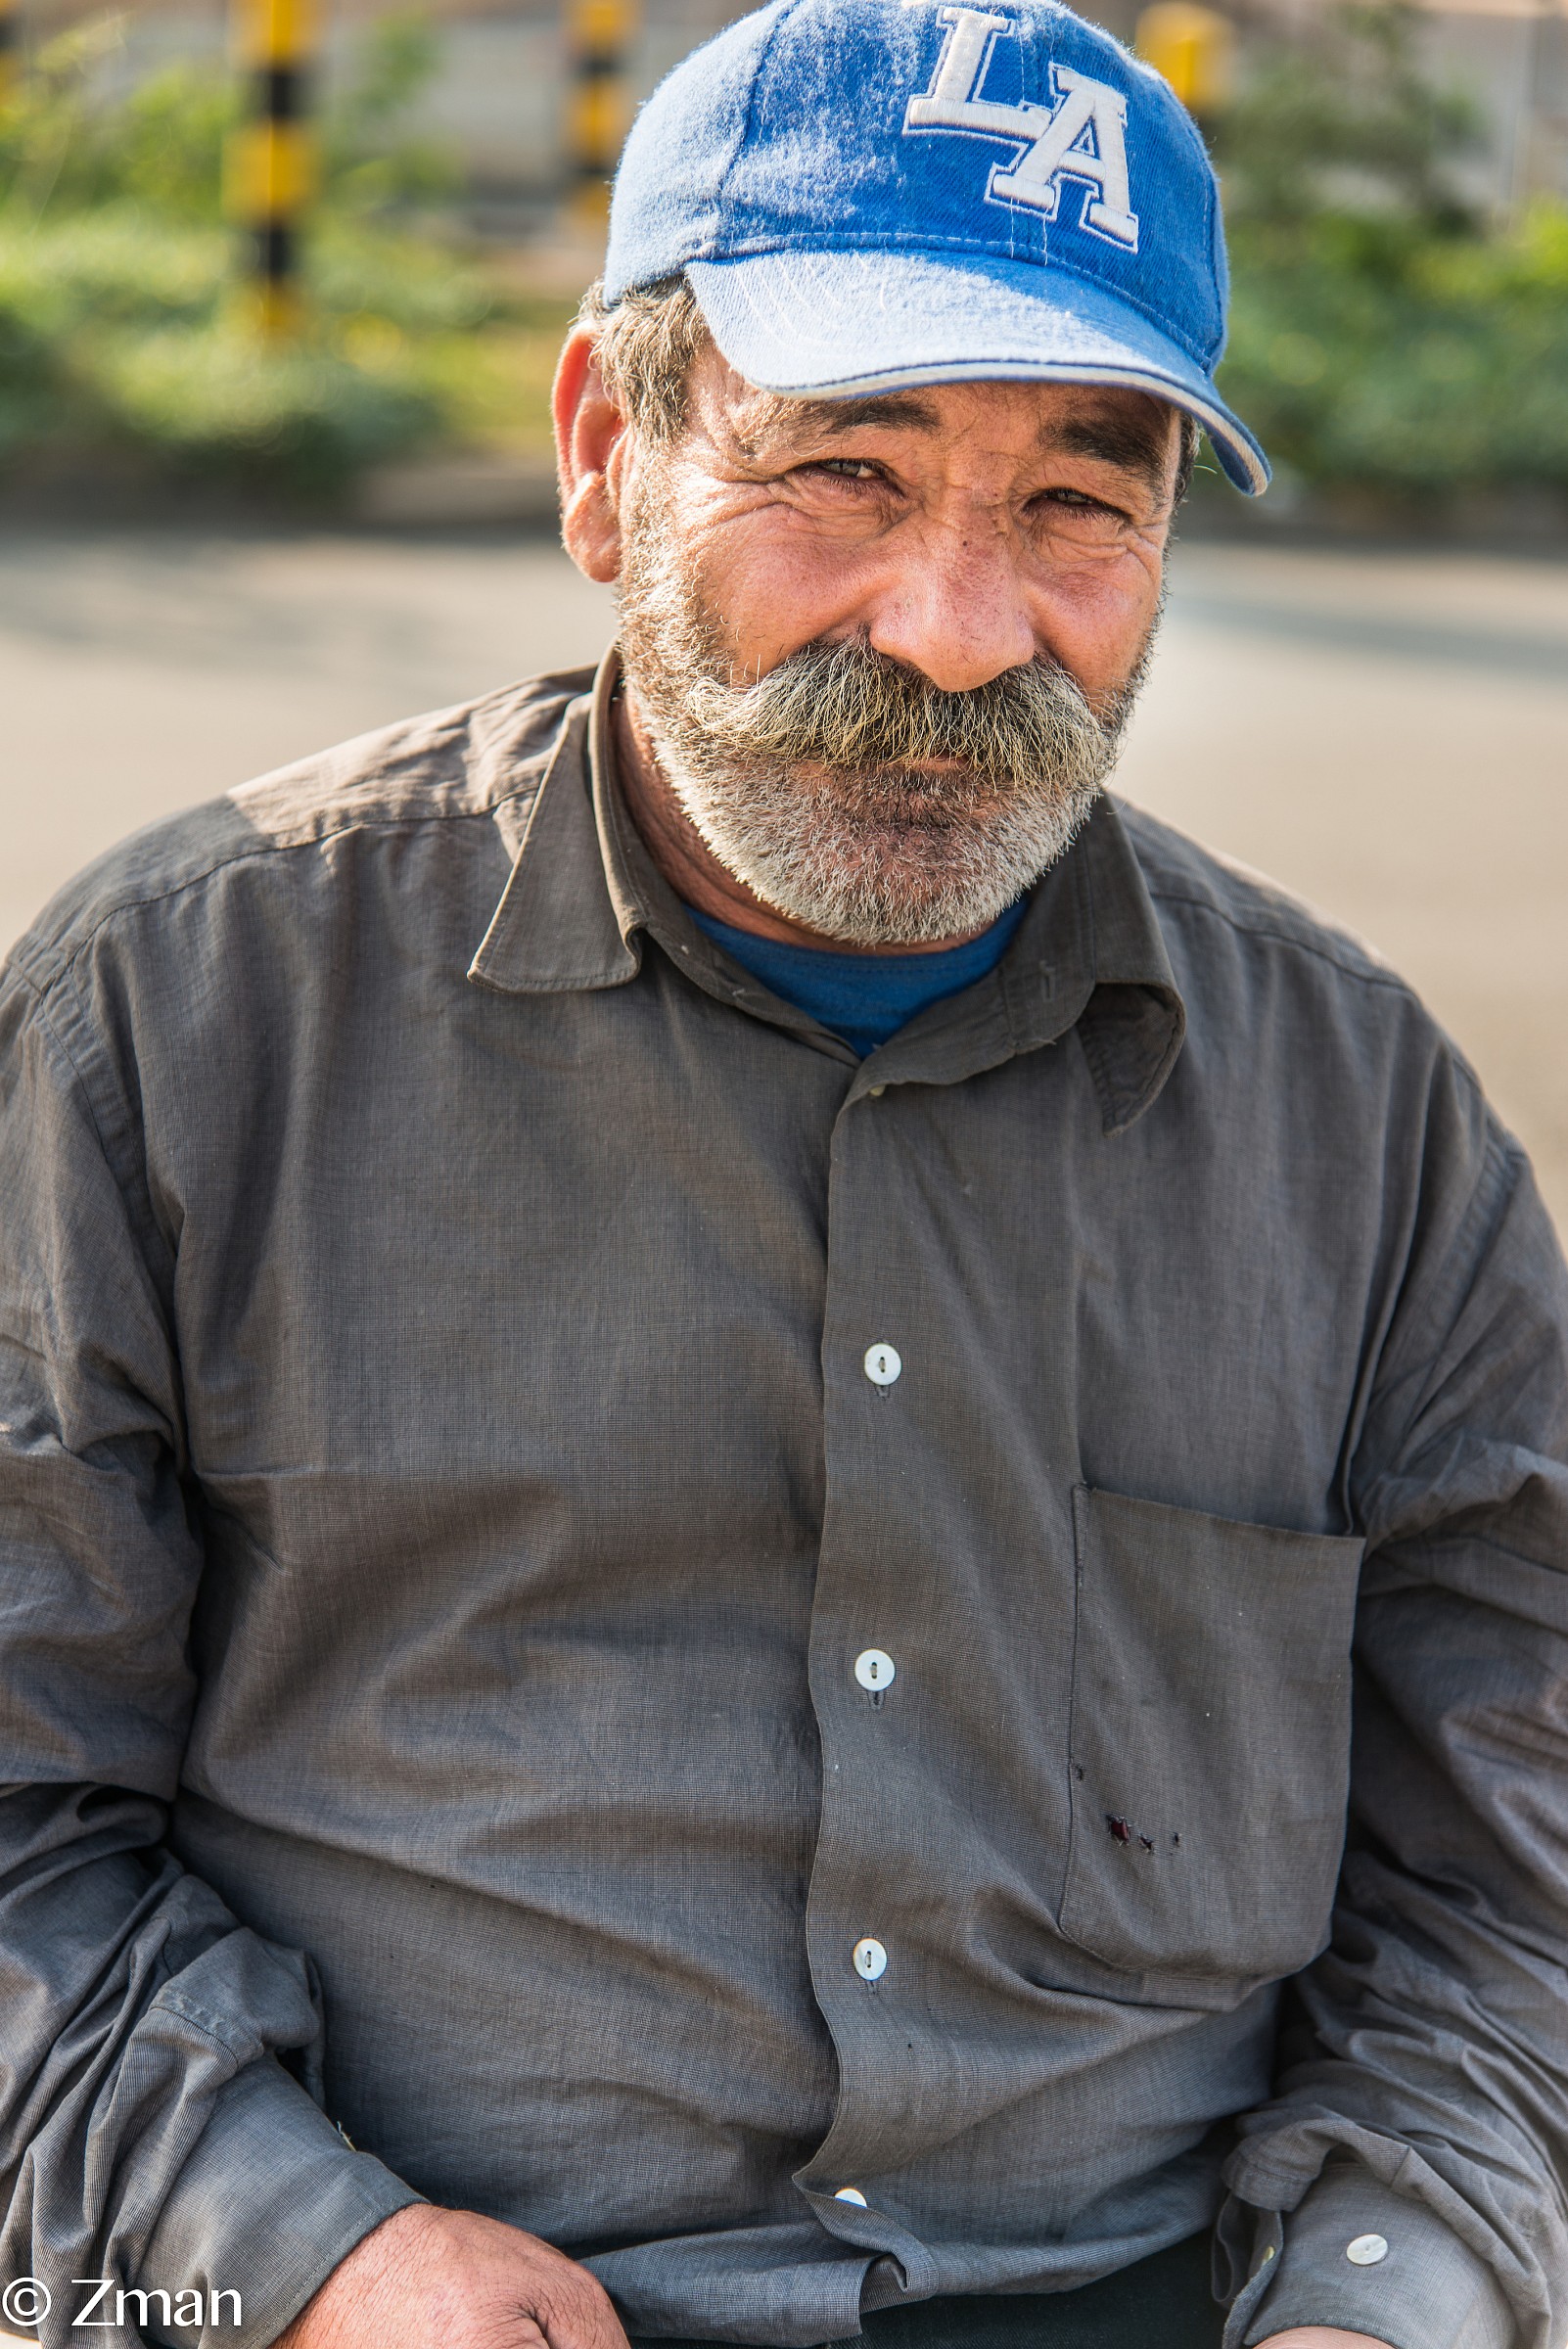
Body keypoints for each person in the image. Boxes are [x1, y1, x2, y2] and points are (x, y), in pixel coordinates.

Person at [1, 4, 1565, 2349]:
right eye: (844, 471)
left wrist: (1388, 2290)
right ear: (603, 457)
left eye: (1077, 505)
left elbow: (1520, 1868)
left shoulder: (1359, 1117)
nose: (956, 630)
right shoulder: (176, 1021)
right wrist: (289, 2256)